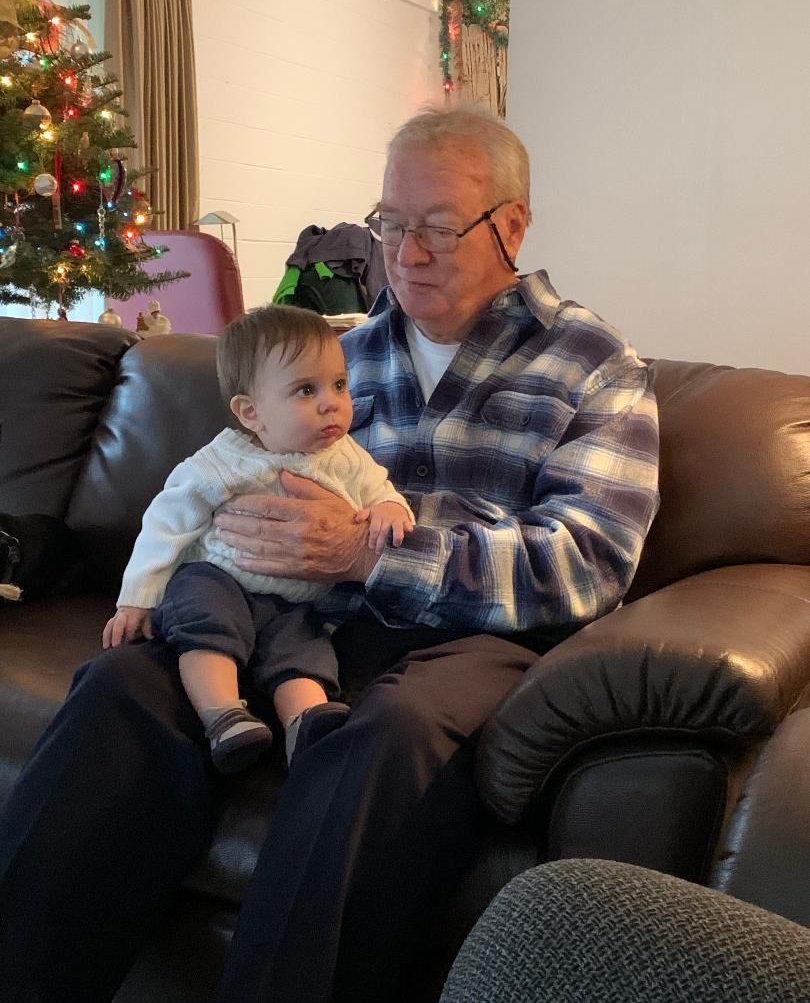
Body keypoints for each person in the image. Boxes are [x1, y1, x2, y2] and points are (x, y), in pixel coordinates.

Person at [0, 104, 660, 1003]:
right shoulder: (336, 355)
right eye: (391, 223)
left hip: (469, 639)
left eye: (437, 227)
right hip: (295, 615)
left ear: (511, 224)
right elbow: (219, 482)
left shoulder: (594, 366)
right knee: (125, 685)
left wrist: (371, 555)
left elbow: (589, 562)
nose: (406, 253)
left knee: (386, 735)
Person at [102, 304, 414, 772]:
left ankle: (306, 726)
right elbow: (166, 526)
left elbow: (381, 492)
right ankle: (223, 715)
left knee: (305, 653)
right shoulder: (220, 463)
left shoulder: (346, 455)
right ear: (251, 412)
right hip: (218, 580)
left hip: (293, 603)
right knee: (207, 626)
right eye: (306, 390)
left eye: (339, 385)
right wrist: (137, 598)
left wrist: (391, 509)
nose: (331, 403)